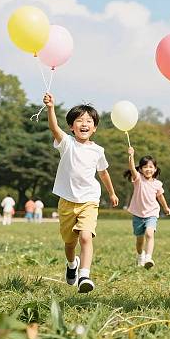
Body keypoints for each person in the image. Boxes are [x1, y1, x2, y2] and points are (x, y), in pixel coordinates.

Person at [43, 92, 119, 293]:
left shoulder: (98, 151)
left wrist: (111, 193)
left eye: (89, 121)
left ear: (94, 128)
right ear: (71, 126)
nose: (84, 124)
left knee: (86, 237)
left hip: (89, 200)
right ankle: (72, 265)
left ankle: (84, 275)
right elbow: (53, 127)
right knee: (69, 243)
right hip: (67, 201)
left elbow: (103, 173)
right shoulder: (67, 144)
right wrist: (51, 108)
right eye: (79, 120)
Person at [126, 146, 170, 268]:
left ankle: (148, 258)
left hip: (152, 213)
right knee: (139, 240)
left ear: (155, 169)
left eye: (151, 167)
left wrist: (166, 208)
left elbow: (160, 197)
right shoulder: (138, 179)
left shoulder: (157, 184)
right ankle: (140, 255)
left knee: (149, 234)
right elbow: (131, 168)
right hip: (138, 214)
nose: (148, 169)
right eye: (145, 167)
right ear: (140, 169)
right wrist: (131, 156)